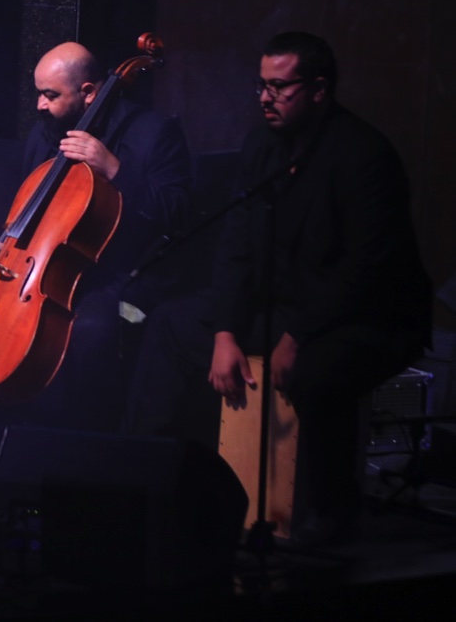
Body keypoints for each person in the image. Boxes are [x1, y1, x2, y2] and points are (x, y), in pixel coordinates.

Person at [123, 31, 431, 546]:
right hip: (287, 305)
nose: (265, 98)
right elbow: (236, 246)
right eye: (261, 86)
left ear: (319, 90)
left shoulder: (364, 154)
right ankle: (145, 480)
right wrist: (225, 331)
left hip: (366, 315)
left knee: (317, 373)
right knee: (173, 325)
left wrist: (298, 336)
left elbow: (364, 268)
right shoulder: (262, 146)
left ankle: (330, 515)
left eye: (279, 87)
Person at [0, 40, 191, 435]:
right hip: (40, 266)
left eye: (50, 95)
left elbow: (177, 213)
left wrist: (115, 171)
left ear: (89, 92)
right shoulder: (45, 134)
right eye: (38, 93)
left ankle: (71, 442)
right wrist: (2, 243)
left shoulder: (153, 133)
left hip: (118, 274)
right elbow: (31, 208)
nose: (39, 105)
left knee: (92, 328)